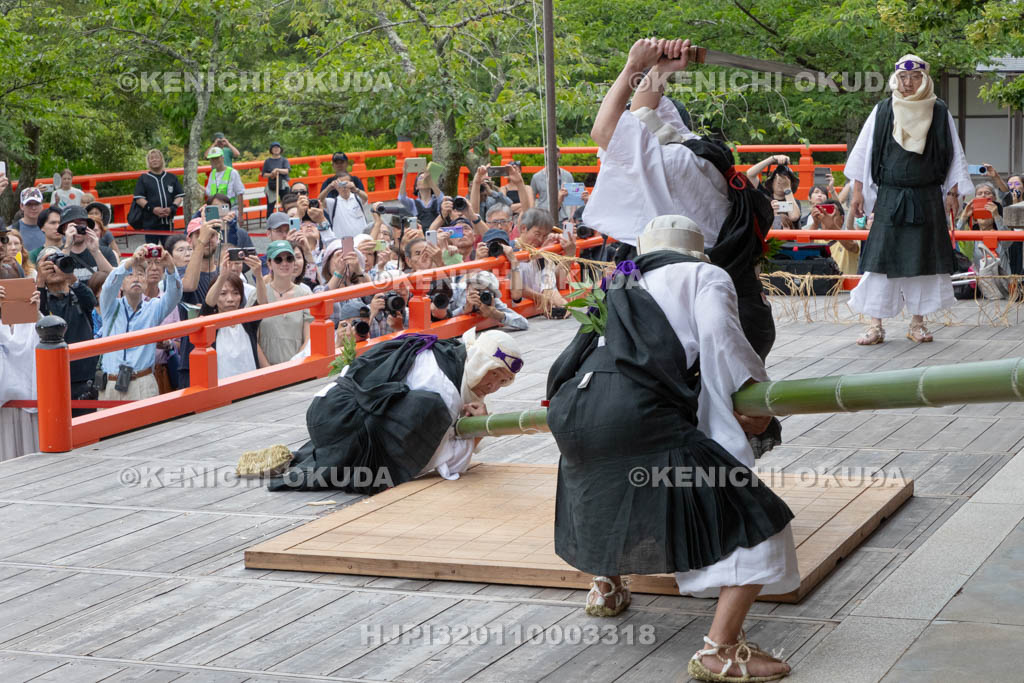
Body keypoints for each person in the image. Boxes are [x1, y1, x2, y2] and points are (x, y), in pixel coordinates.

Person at [546, 215, 797, 682]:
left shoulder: (617, 279)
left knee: (611, 489)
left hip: (571, 408)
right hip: (636, 411)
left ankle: (606, 588)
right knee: (753, 515)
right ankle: (720, 650)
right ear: (696, 251)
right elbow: (722, 344)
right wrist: (753, 398)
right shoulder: (704, 274)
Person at [584, 37, 777, 361]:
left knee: (601, 334)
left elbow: (604, 129)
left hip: (687, 301)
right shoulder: (697, 154)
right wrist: (663, 68)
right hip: (731, 297)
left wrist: (634, 65)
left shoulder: (673, 164)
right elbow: (644, 111)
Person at [260, 329, 522, 493]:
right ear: (478, 361)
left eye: (503, 381)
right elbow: (440, 463)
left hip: (326, 406)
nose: (493, 387)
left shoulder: (450, 351)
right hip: (337, 422)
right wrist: (477, 434)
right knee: (425, 412)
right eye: (492, 374)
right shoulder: (442, 391)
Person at [847, 55, 971, 345]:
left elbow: (954, 156)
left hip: (927, 195)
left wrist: (952, 193)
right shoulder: (883, 110)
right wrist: (857, 191)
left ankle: (917, 324)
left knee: (923, 261)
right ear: (896, 79)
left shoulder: (939, 111)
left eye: (915, 77)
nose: (908, 83)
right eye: (903, 78)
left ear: (924, 79)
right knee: (879, 261)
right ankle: (875, 326)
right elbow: (863, 153)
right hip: (890, 195)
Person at [98, 244, 183, 400]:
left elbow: (174, 295)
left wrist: (170, 267)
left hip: (143, 381)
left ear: (146, 280)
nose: (136, 278)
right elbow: (109, 286)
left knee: (148, 425)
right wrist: (130, 262)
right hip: (111, 381)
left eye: (141, 274)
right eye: (130, 275)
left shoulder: (154, 307)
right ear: (121, 284)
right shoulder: (110, 306)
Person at [35, 247, 99, 413]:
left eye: (58, 261)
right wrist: (40, 282)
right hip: (53, 377)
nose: (54, 267)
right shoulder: (39, 297)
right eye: (48, 263)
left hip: (84, 376)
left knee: (87, 431)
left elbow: (91, 301)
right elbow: (37, 313)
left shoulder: (77, 292)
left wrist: (71, 277)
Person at [0, 265, 41, 461]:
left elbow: (52, 343)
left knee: (32, 461)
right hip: (2, 406)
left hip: (29, 403)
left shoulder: (33, 320)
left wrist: (38, 314)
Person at [202, 265, 269, 379]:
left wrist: (258, 275)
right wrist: (222, 277)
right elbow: (208, 304)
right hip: (221, 390)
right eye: (223, 294)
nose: (230, 299)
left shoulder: (246, 321)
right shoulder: (210, 322)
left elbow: (262, 304)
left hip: (250, 387)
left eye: (235, 293)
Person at [256, 240, 312, 365]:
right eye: (278, 259)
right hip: (266, 371)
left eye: (289, 258)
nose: (284, 263)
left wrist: (295, 365)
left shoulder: (305, 295)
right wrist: (267, 368)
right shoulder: (257, 294)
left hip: (298, 368)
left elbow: (308, 339)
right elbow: (253, 338)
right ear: (269, 264)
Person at [132, 149, 185, 243]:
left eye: (157, 157)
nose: (154, 160)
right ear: (148, 162)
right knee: (152, 251)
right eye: (151, 158)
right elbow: (139, 198)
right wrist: (153, 209)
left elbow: (179, 196)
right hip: (150, 222)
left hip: (168, 222)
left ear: (161, 159)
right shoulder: (143, 178)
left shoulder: (171, 177)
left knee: (169, 248)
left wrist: (172, 208)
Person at [451, 270, 528, 330]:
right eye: (478, 289)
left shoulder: (491, 300)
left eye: (486, 291)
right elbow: (442, 318)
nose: (481, 295)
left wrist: (497, 314)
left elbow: (524, 323)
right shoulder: (456, 292)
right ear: (468, 286)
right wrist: (463, 310)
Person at [59, 206, 118, 284]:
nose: (77, 229)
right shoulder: (57, 253)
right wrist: (67, 247)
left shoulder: (105, 252)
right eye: (73, 226)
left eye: (81, 224)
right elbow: (56, 279)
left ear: (88, 227)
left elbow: (114, 280)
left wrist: (96, 252)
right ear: (64, 229)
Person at [531, 148, 575, 221]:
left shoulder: (567, 175)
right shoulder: (536, 177)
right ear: (545, 154)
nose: (553, 153)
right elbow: (532, 199)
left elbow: (574, 198)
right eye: (548, 150)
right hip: (543, 217)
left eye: (556, 150)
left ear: (559, 154)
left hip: (563, 217)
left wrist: (572, 216)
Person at [324, 172, 371, 237]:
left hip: (362, 239)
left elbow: (365, 197)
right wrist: (329, 188)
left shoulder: (357, 198)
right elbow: (320, 200)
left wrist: (355, 189)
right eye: (341, 183)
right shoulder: (333, 202)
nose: (344, 187)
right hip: (342, 242)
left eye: (346, 183)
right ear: (336, 186)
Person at [13, 187, 45, 253]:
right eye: (29, 204)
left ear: (42, 205)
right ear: (21, 206)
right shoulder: (13, 230)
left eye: (37, 203)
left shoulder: (52, 228)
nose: (33, 208)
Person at [261, 142, 290, 215]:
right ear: (271, 150)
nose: (276, 149)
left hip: (283, 183)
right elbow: (264, 174)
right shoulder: (267, 161)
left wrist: (277, 170)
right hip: (272, 184)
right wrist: (271, 174)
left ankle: (287, 218)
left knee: (286, 202)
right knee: (270, 204)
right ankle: (269, 220)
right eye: (274, 148)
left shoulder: (284, 160)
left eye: (278, 148)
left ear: (280, 149)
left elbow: (286, 171)